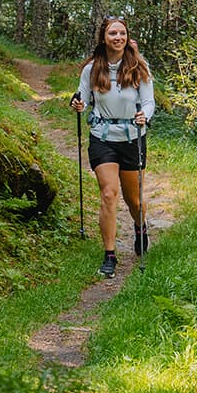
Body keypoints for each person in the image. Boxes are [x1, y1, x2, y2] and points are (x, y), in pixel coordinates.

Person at [70, 17, 155, 278]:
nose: (117, 37)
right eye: (112, 33)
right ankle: (109, 255)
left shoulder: (140, 67)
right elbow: (81, 95)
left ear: (127, 37)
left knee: (134, 200)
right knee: (109, 194)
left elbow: (149, 102)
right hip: (102, 136)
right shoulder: (92, 69)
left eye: (121, 33)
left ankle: (140, 227)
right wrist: (78, 103)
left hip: (132, 138)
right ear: (103, 38)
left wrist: (145, 117)